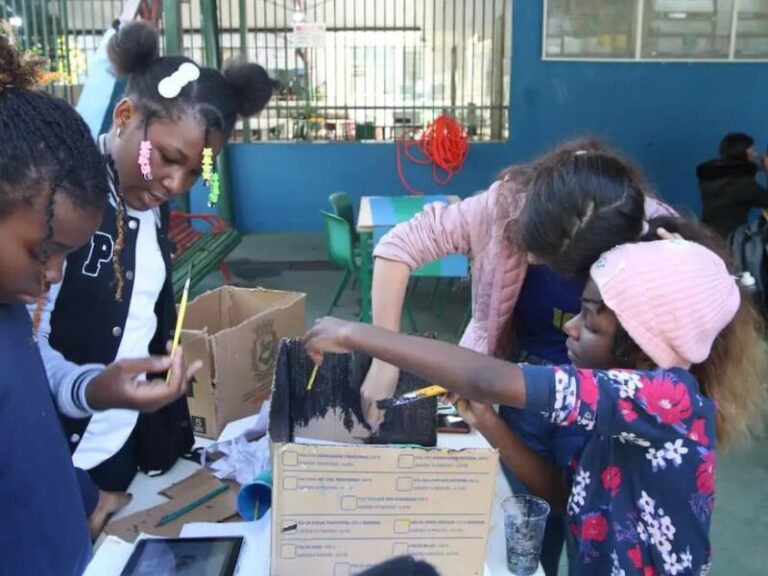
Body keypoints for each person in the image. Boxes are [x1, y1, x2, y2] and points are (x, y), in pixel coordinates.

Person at [302, 231, 766, 574]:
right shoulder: (612, 405)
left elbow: (487, 377)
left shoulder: (667, 399)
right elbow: (562, 496)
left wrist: (358, 334)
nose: (570, 327)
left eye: (590, 321)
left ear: (646, 345)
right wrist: (489, 422)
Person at [360, 140, 675, 575]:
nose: (525, 257)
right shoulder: (505, 207)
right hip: (520, 392)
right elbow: (399, 246)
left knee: (591, 533)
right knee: (525, 534)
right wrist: (384, 360)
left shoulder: (648, 232)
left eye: (547, 260)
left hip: (600, 403)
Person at [33, 19, 274, 497]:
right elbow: (25, 346)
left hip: (120, 449)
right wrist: (91, 389)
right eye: (165, 157)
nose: (174, 184)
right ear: (124, 115)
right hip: (60, 463)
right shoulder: (63, 203)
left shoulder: (147, 202)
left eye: (195, 172)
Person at [0, 23, 160, 573]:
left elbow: (31, 438)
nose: (53, 274)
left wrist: (87, 499)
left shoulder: (11, 312)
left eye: (67, 256)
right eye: (43, 250)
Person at [698, 132, 768, 238]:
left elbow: (733, 172)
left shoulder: (709, 177)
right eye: (752, 151)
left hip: (704, 233)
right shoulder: (744, 184)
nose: (755, 154)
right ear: (743, 153)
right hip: (729, 239)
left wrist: (752, 169)